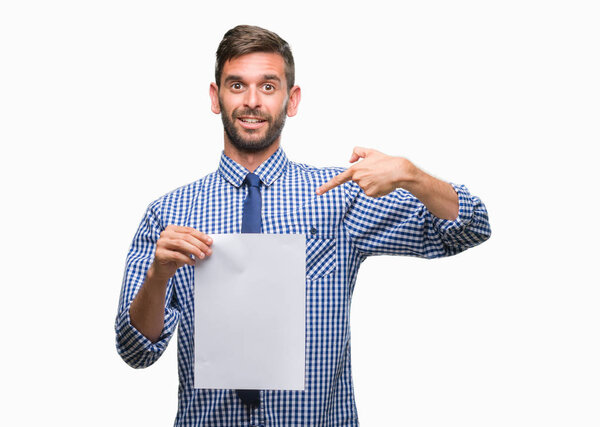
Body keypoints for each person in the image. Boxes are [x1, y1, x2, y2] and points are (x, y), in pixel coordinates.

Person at [115, 24, 491, 426]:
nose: (253, 101)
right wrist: (157, 276)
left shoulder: (339, 196)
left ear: (291, 100)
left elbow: (470, 227)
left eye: (269, 86)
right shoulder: (169, 213)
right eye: (237, 86)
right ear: (215, 96)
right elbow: (136, 352)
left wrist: (410, 175)